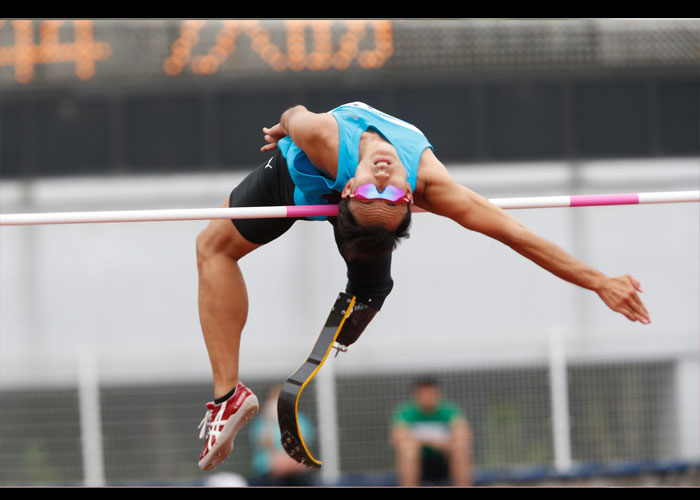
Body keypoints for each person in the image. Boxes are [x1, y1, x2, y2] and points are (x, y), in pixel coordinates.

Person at [194, 101, 651, 471]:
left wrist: (599, 282)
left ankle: (368, 291)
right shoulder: (321, 140)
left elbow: (518, 237)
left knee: (371, 276)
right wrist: (286, 128)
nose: (382, 180)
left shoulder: (430, 187)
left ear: (411, 199)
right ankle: (227, 396)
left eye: (391, 192)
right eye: (378, 191)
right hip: (301, 177)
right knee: (212, 246)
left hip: (356, 219)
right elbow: (295, 114)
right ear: (348, 188)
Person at [391, 378, 473, 486]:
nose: (427, 397)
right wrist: (432, 442)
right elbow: (398, 437)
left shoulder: (450, 411)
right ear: (416, 395)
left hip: (444, 461)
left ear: (438, 394)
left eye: (430, 393)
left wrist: (439, 445)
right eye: (423, 394)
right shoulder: (405, 412)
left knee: (461, 448)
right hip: (418, 462)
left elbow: (463, 434)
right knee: (408, 450)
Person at [249, 385, 316, 486]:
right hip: (271, 472)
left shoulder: (300, 420)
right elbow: (264, 444)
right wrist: (269, 421)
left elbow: (302, 446)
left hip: (296, 469)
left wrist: (289, 462)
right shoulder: (262, 423)